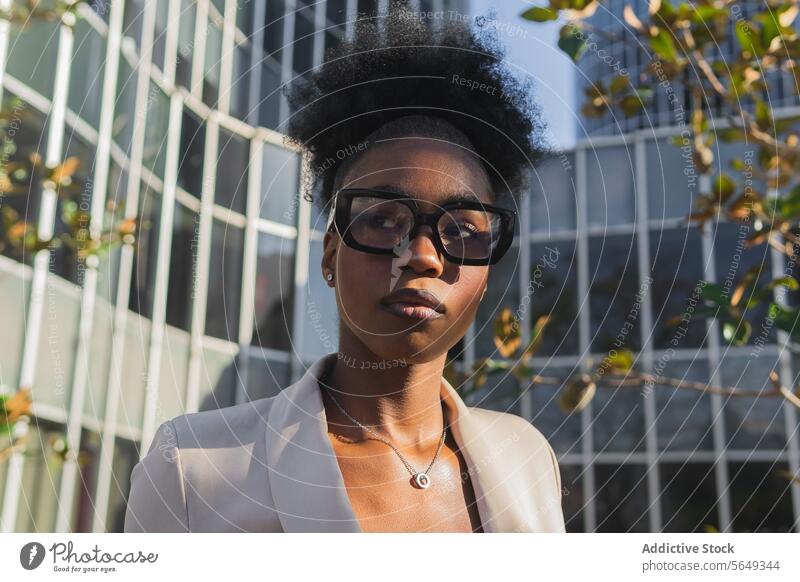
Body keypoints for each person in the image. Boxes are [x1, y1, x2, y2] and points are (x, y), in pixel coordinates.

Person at [124, 3, 565, 533]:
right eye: (383, 220)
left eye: (462, 231)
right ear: (331, 255)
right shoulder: (193, 468)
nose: (422, 256)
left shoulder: (527, 459)